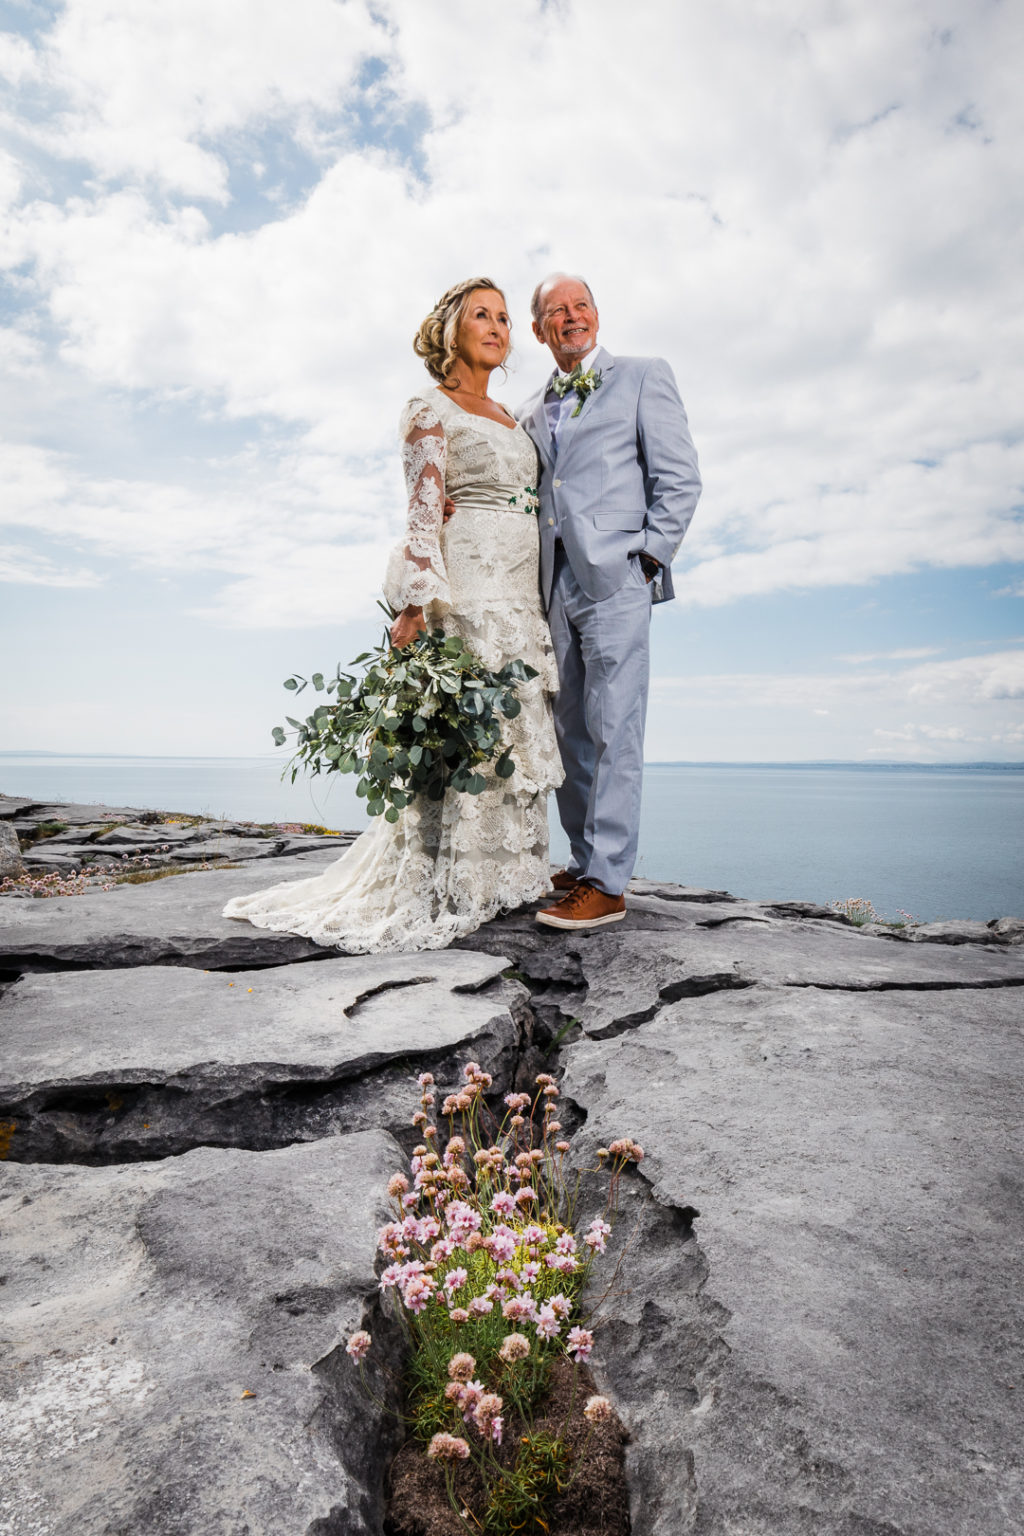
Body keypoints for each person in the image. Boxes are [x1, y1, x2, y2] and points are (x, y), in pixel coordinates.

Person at [223, 278, 562, 952]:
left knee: (510, 725)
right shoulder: (426, 407)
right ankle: (457, 883)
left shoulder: (510, 417)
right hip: (465, 589)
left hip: (519, 589)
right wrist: (410, 610)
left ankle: (510, 876)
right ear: (451, 331)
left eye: (503, 317)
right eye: (481, 316)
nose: (497, 327)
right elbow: (421, 510)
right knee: (472, 730)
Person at [517, 273, 701, 931]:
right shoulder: (529, 410)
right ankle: (587, 860)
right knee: (568, 731)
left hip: (617, 578)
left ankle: (609, 884)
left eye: (581, 305)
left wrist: (649, 556)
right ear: (539, 330)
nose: (571, 317)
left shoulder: (644, 375)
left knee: (615, 723)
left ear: (596, 314)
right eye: (555, 311)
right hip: (551, 589)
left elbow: (680, 477)